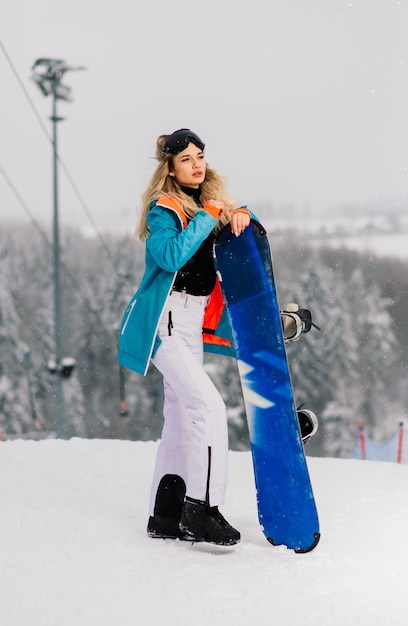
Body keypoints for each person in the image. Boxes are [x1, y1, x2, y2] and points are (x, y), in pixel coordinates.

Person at [118, 129, 317, 547]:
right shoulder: (164, 209)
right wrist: (211, 214)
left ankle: (166, 513)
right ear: (169, 168)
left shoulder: (204, 206)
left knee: (181, 419)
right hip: (166, 323)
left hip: (191, 324)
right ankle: (202, 508)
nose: (197, 164)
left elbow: (239, 238)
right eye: (187, 158)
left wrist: (242, 215)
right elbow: (170, 255)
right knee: (209, 408)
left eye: (200, 156)